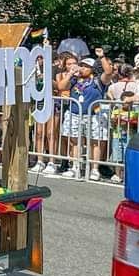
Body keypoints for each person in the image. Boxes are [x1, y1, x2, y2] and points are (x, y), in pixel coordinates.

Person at [56, 49, 114, 179]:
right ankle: (75, 167)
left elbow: (108, 72)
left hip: (93, 115)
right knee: (74, 141)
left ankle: (94, 169)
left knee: (96, 142)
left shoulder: (98, 81)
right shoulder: (74, 80)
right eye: (81, 65)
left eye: (86, 66)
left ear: (92, 69)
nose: (82, 68)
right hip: (75, 114)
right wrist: (70, 73)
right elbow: (61, 87)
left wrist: (102, 56)